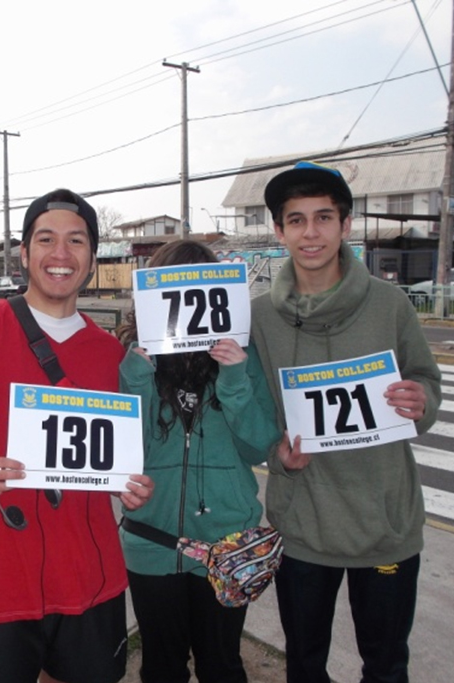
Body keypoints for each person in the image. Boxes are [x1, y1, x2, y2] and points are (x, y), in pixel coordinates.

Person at [0, 188, 154, 683]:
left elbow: (114, 463)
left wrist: (132, 489)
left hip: (92, 579)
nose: (60, 255)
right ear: (23, 253)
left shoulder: (111, 355)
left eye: (76, 241)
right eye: (46, 240)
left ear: (90, 257)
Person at [249, 161, 442, 683]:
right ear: (279, 230)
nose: (311, 233)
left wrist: (422, 398)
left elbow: (425, 379)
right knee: (304, 665)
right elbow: (256, 413)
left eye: (323, 218)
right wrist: (277, 453)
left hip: (386, 526)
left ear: (346, 224)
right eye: (296, 220)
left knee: (385, 666)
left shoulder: (390, 303)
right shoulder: (259, 318)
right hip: (303, 528)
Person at [116, 239, 281, 683]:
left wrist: (233, 378)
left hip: (227, 545)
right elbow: (127, 452)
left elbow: (259, 446)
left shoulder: (242, 360)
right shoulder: (133, 359)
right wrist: (137, 379)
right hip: (152, 542)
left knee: (222, 665)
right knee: (162, 666)